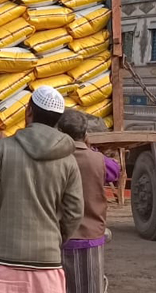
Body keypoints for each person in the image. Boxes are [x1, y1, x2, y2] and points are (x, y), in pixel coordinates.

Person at [0, 86, 84, 293]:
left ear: (28, 112)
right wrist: (55, 238)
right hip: (47, 262)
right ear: (58, 120)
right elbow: (75, 211)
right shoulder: (68, 161)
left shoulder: (3, 149)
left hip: (3, 257)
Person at [56, 110, 121, 293]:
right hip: (90, 240)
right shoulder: (98, 160)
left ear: (60, 133)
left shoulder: (54, 159)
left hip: (59, 239)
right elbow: (115, 170)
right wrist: (92, 150)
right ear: (86, 134)